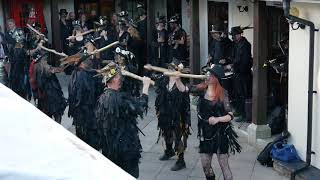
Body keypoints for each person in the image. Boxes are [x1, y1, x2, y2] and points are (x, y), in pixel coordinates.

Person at [95, 62, 151, 178]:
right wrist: (145, 87)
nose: (121, 79)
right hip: (124, 150)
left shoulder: (102, 99)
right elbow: (139, 107)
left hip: (110, 149)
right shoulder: (119, 100)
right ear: (114, 79)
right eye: (119, 77)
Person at [187, 65, 241, 180]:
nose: (207, 76)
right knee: (206, 165)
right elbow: (185, 89)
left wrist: (217, 119)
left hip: (220, 134)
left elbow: (230, 115)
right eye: (208, 74)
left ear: (216, 78)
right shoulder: (202, 88)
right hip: (206, 134)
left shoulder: (223, 93)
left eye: (210, 75)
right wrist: (176, 78)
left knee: (224, 165)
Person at [153, 59, 191, 171]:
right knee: (166, 132)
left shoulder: (181, 84)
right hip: (165, 113)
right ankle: (169, 151)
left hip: (178, 116)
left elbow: (184, 93)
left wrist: (187, 121)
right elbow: (156, 84)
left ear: (177, 71)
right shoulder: (164, 81)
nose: (169, 70)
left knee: (178, 136)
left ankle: (181, 160)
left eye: (172, 68)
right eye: (168, 68)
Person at [68, 37, 103, 149]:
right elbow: (90, 93)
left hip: (83, 114)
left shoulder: (80, 72)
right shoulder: (82, 76)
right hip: (85, 113)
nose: (89, 61)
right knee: (88, 139)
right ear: (82, 63)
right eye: (87, 59)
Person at [29, 50, 67, 123]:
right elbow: (59, 70)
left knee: (47, 114)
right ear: (41, 59)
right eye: (44, 58)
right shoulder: (43, 67)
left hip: (42, 95)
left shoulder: (35, 66)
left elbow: (33, 82)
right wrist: (63, 62)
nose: (46, 60)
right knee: (56, 112)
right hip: (51, 94)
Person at [229, 26, 252, 122]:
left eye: (234, 35)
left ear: (239, 35)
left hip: (243, 73)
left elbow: (245, 61)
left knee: (244, 94)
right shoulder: (236, 44)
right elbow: (233, 56)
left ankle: (244, 115)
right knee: (237, 93)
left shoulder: (245, 45)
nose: (233, 37)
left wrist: (235, 64)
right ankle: (239, 111)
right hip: (237, 72)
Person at [5, 19, 29, 99]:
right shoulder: (7, 33)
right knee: (13, 76)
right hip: (12, 58)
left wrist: (13, 46)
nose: (9, 26)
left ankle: (22, 94)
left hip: (20, 57)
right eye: (8, 24)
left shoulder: (19, 31)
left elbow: (21, 44)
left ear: (14, 24)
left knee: (20, 76)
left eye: (11, 24)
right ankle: (15, 92)